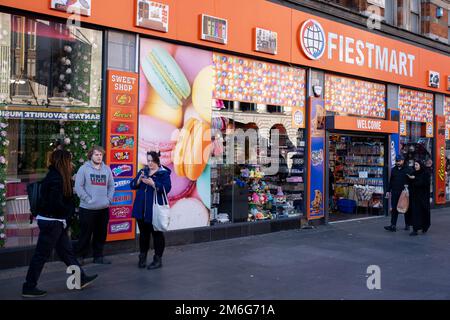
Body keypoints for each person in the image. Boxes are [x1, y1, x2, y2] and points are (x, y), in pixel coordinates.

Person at [22, 150, 98, 298]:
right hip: (53, 222)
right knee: (41, 255)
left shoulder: (56, 176)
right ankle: (28, 287)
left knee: (66, 252)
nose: (72, 163)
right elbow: (54, 203)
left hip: (55, 221)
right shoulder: (56, 178)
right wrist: (68, 211)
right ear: (63, 162)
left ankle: (79, 279)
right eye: (69, 160)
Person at [130, 151, 171, 269]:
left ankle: (158, 259)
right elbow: (132, 185)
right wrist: (138, 181)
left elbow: (166, 189)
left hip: (154, 210)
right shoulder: (143, 171)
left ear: (157, 161)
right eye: (148, 161)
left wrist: (153, 183)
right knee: (143, 235)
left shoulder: (163, 174)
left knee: (157, 235)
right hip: (141, 209)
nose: (149, 163)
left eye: (152, 161)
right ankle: (142, 257)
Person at [74, 146, 115, 264]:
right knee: (85, 234)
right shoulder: (83, 169)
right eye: (96, 154)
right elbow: (78, 186)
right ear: (90, 155)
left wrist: (109, 199)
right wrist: (87, 199)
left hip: (103, 208)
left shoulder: (107, 169)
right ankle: (80, 257)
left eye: (101, 155)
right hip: (87, 208)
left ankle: (98, 256)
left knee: (101, 234)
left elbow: (112, 186)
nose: (99, 157)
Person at [384, 155, 412, 232]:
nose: (398, 162)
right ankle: (393, 225)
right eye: (397, 161)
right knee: (394, 209)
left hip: (404, 192)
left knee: (406, 208)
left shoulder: (408, 169)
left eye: (399, 161)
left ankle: (407, 224)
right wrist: (388, 191)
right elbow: (391, 181)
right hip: (395, 192)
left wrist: (409, 190)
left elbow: (412, 180)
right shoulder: (393, 170)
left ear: (403, 161)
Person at [407, 160, 431, 236]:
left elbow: (424, 184)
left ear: (420, 165)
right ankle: (415, 229)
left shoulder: (425, 173)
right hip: (415, 197)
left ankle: (424, 226)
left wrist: (414, 178)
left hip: (423, 197)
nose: (415, 166)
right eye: (415, 165)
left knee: (424, 212)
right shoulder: (413, 173)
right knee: (415, 213)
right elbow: (410, 183)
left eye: (417, 165)